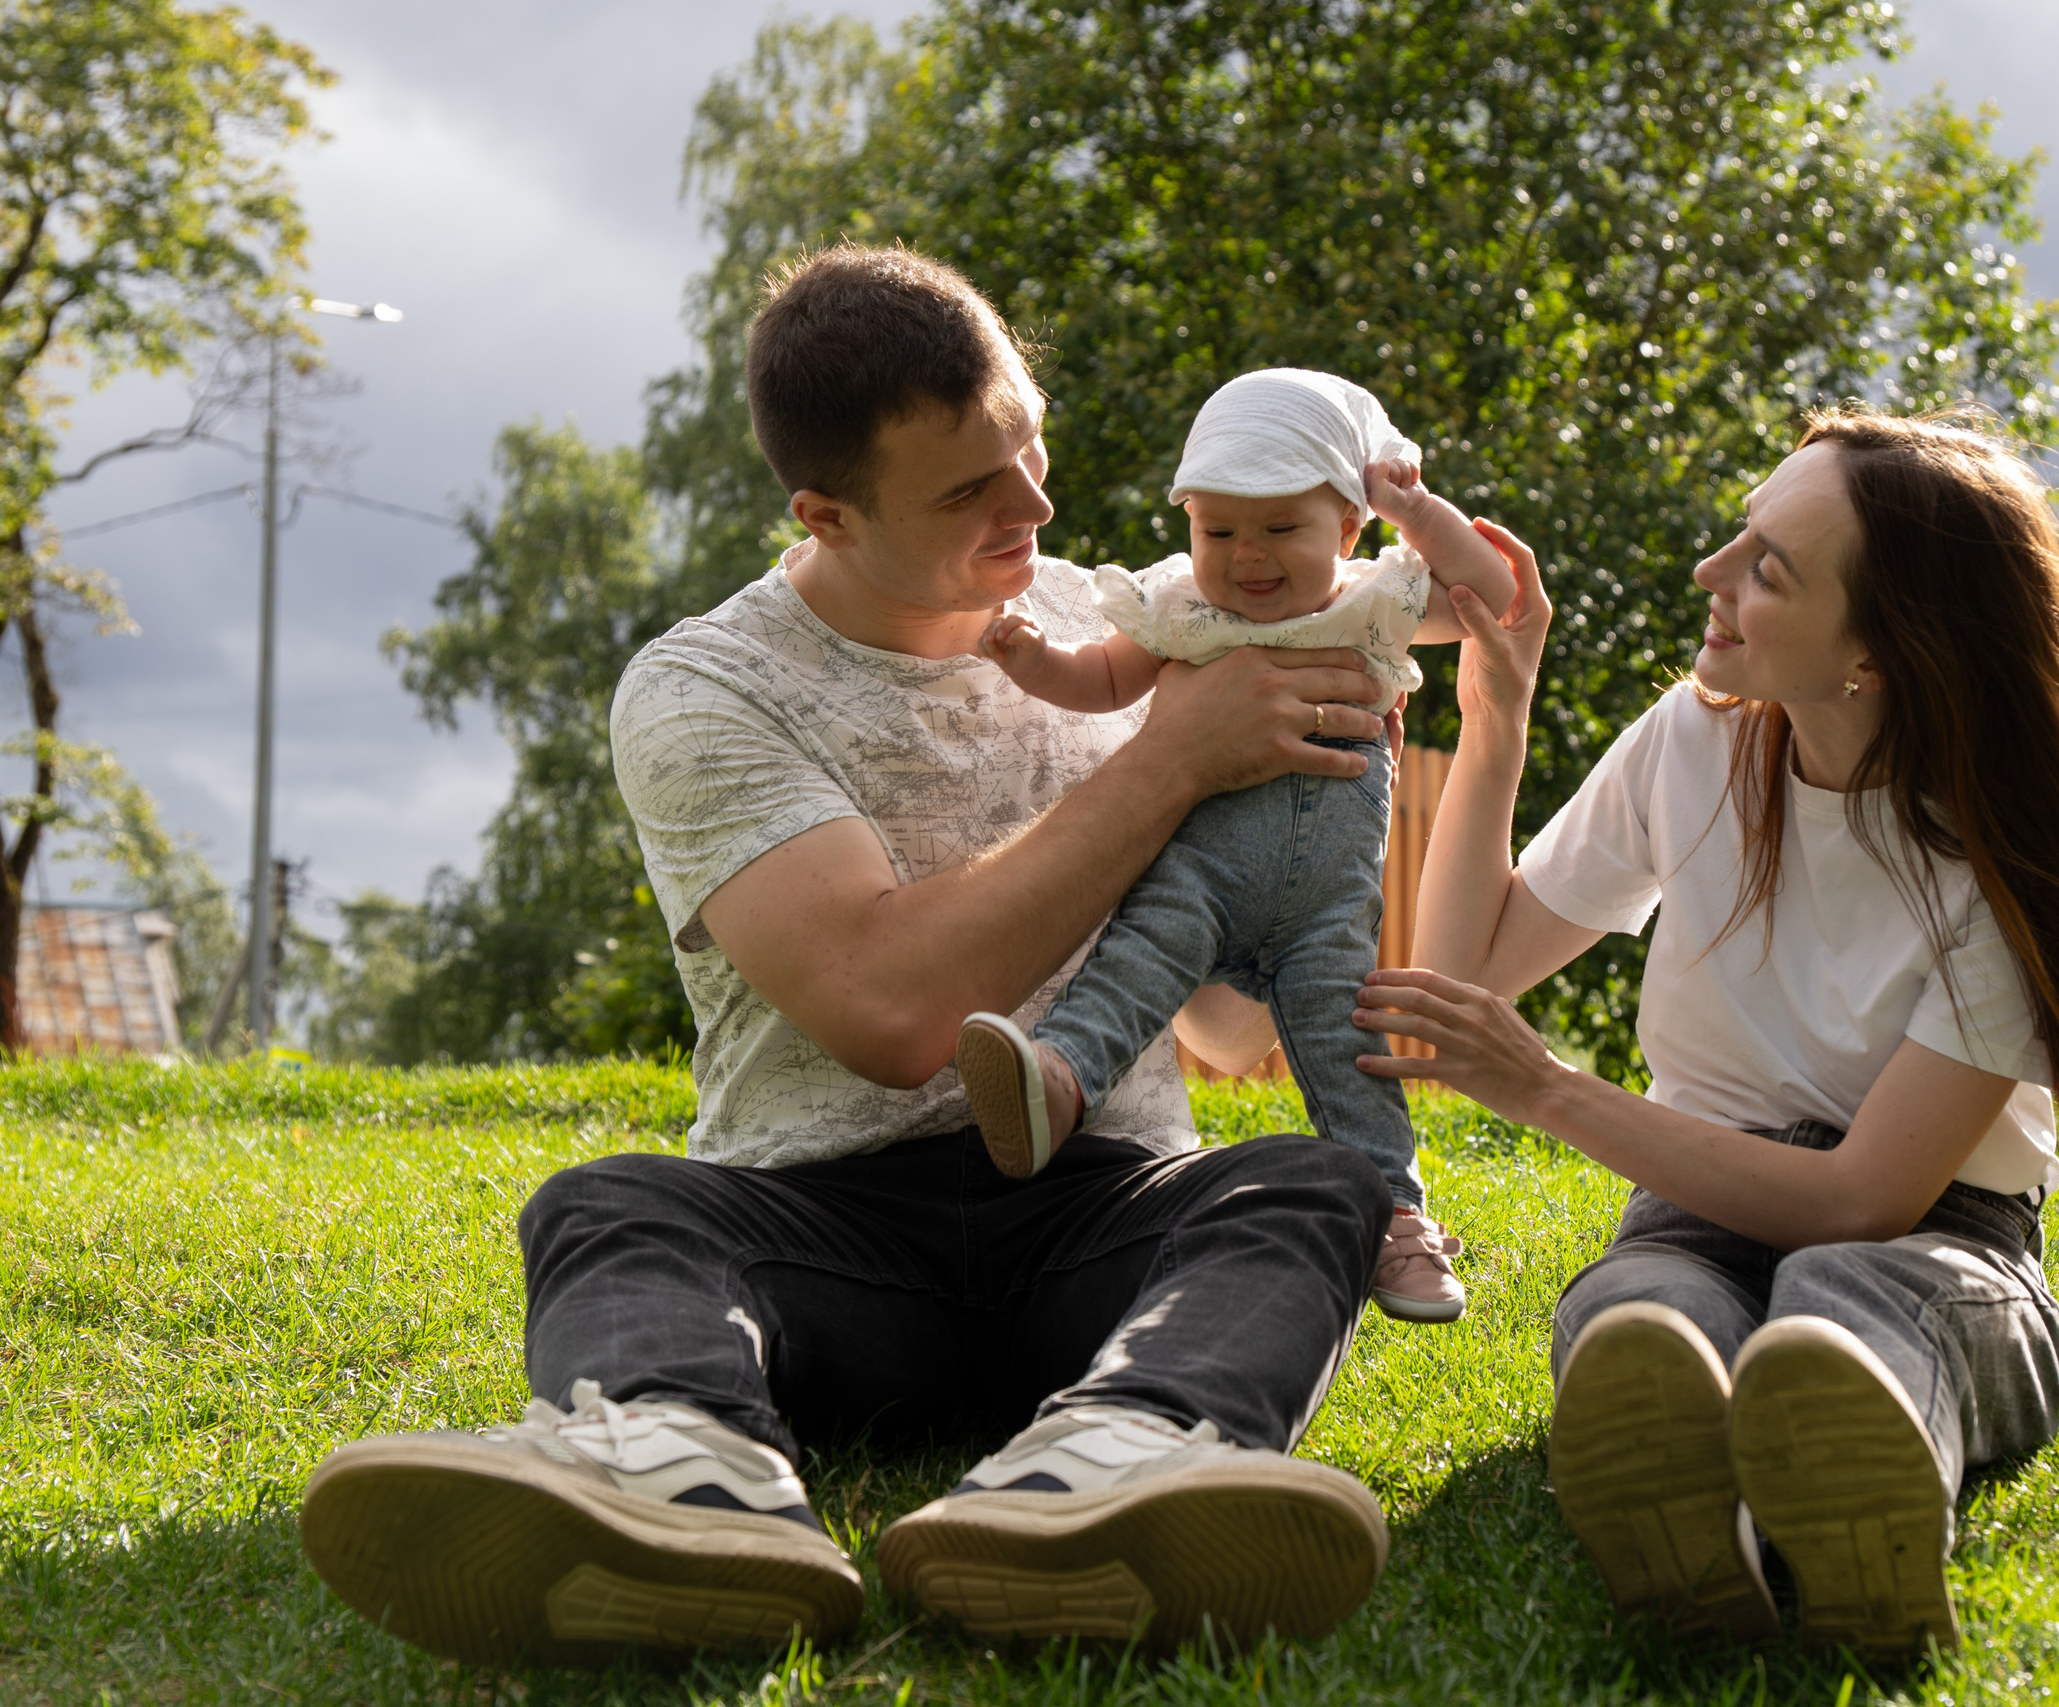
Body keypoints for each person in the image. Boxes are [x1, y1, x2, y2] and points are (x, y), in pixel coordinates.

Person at [296, 244, 1433, 1666]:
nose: (1037, 503)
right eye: (970, 489)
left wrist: (1330, 822)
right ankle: (693, 1473)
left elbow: (1213, 1015)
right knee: (613, 1205)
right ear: (825, 513)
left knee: (1309, 1183)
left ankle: (1115, 1458)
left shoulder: (1129, 626)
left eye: (1029, 444)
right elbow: (889, 1008)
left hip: (1102, 1199)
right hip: (824, 1231)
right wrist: (1166, 769)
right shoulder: (708, 687)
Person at [1350, 410, 2059, 1656]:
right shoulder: (1694, 741)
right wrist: (1498, 704)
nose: (1712, 575)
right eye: (1739, 537)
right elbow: (1466, 976)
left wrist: (1546, 1087)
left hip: (1938, 1249)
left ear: (1878, 650)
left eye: (1769, 567)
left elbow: (1859, 1203)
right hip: (1691, 1212)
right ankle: (1705, 1529)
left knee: (1837, 1301)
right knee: (1648, 1309)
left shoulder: (2003, 865)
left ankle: (1839, 1524)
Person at [955, 367, 1517, 1324]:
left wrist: (1414, 508)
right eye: (1218, 530)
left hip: (1326, 916)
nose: (1246, 556)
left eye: (1279, 529)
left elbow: (1492, 594)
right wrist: (1032, 656)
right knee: (1132, 961)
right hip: (1199, 880)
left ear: (1347, 526)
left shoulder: (1377, 600)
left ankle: (1396, 1220)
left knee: (1352, 1054)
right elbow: (1101, 677)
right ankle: (1056, 1082)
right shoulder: (1183, 609)